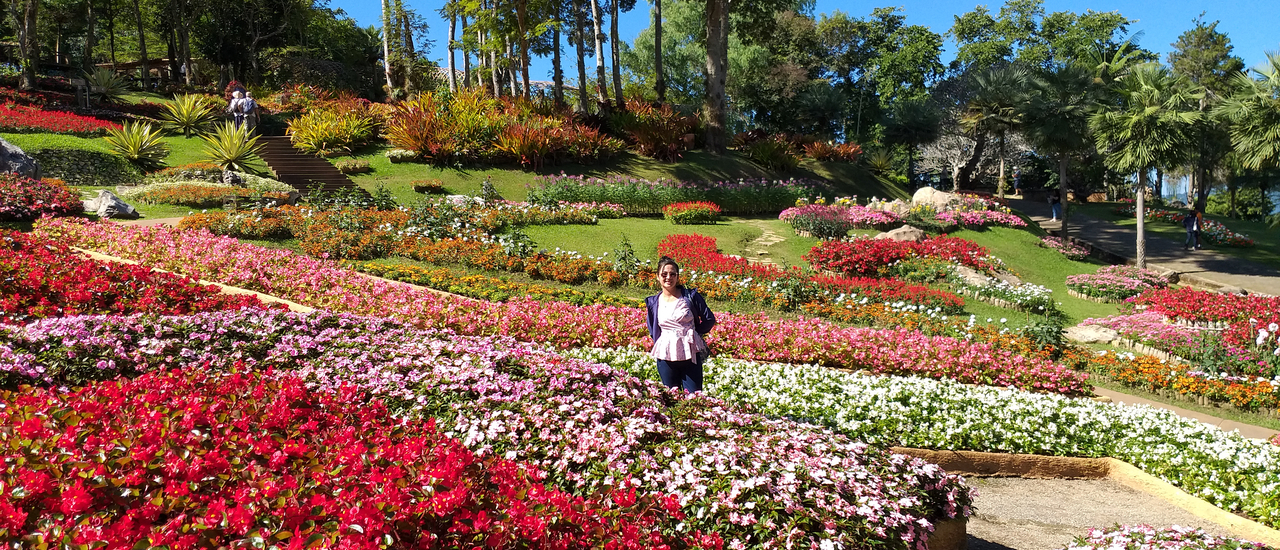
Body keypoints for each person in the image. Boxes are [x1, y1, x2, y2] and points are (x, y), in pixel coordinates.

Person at [645, 256, 716, 393]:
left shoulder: (691, 296)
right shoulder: (654, 302)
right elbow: (653, 329)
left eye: (672, 274)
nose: (668, 277)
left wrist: (695, 332)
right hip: (666, 355)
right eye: (664, 274)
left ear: (678, 277)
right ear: (657, 277)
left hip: (690, 354)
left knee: (693, 397)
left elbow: (709, 319)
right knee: (671, 396)